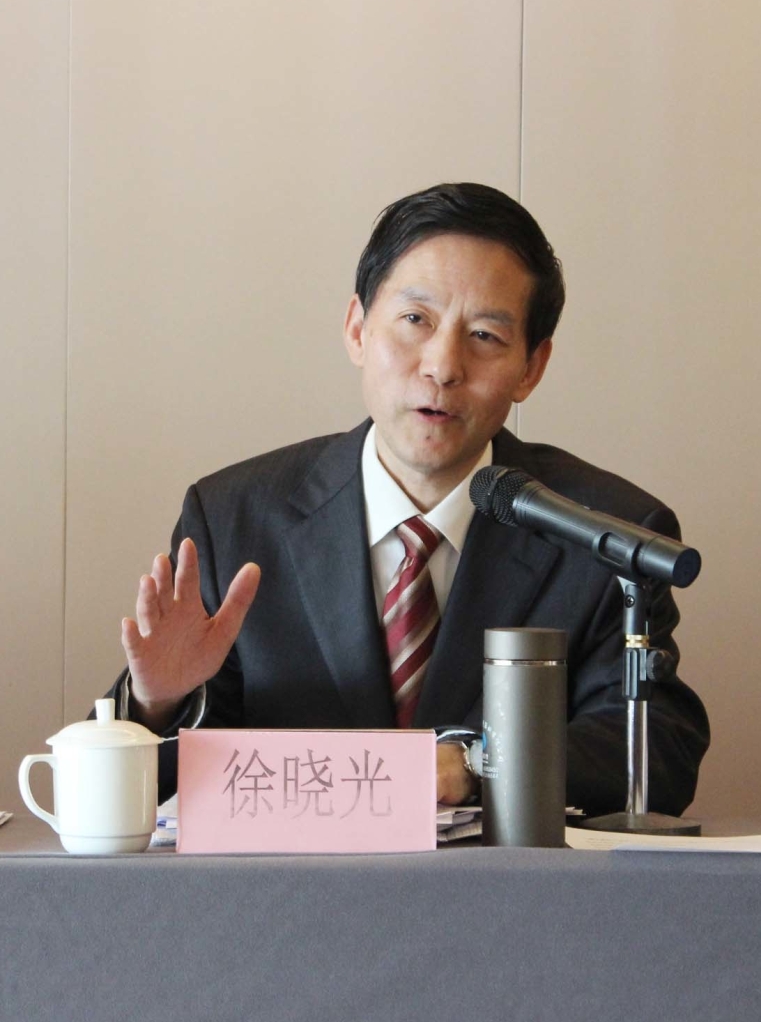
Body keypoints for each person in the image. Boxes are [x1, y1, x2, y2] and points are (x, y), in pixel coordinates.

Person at [106, 182, 709, 813]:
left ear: (531, 367)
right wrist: (158, 704)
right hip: (290, 878)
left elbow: (657, 750)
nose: (443, 366)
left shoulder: (606, 534)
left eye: (485, 335)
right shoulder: (234, 518)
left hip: (505, 880)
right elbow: (159, 789)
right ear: (357, 329)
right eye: (416, 320)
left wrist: (476, 764)